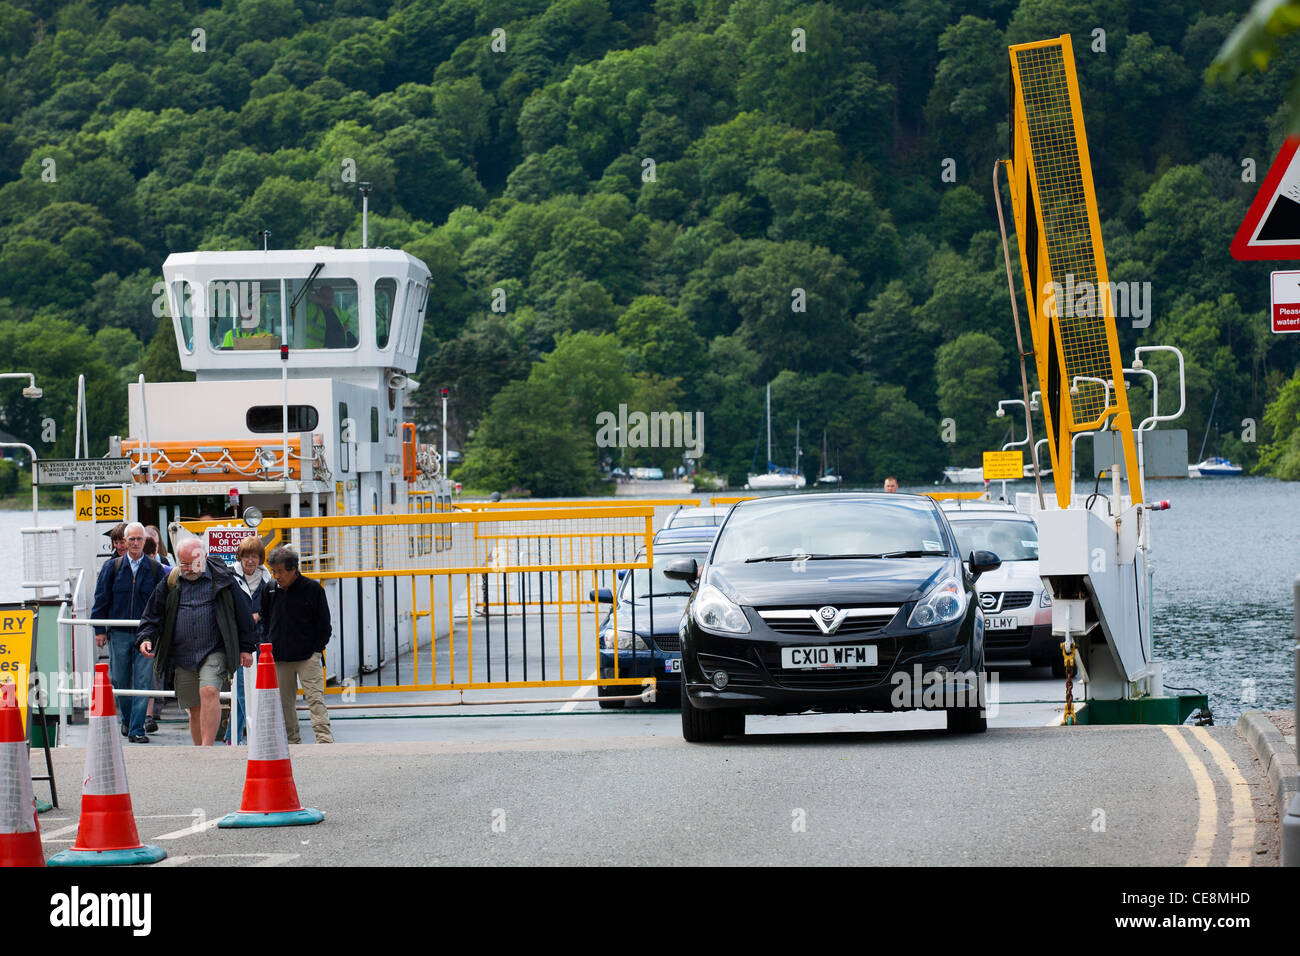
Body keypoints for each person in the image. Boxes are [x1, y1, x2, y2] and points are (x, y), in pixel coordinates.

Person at [135, 538, 256, 747]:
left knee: (209, 691)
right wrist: (146, 637)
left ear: (204, 557)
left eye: (192, 563)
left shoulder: (224, 579)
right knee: (194, 706)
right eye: (183, 563)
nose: (187, 569)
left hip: (214, 649)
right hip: (183, 654)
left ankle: (208, 748)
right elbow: (152, 614)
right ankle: (200, 751)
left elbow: (242, 613)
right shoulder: (171, 581)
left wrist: (246, 648)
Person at [91, 522, 167, 743]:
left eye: (139, 539)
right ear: (124, 541)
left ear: (145, 541)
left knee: (143, 681)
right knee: (120, 679)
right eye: (131, 539)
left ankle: (136, 729)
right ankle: (126, 719)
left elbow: (162, 603)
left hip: (147, 634)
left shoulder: (155, 570)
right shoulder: (111, 568)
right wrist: (100, 629)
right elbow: (101, 599)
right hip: (120, 632)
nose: (135, 543)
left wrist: (159, 630)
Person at [260, 546, 334, 744]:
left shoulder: (312, 588)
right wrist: (268, 641)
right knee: (284, 704)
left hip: (307, 656)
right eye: (273, 571)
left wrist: (316, 649)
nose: (276, 576)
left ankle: (324, 739)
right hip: (280, 657)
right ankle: (291, 742)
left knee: (315, 699)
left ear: (293, 569)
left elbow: (324, 623)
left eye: (280, 571)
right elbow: (266, 619)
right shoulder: (270, 589)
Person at [226, 535, 271, 743]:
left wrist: (259, 614)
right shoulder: (230, 576)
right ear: (240, 557)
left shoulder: (267, 579)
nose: (250, 561)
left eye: (254, 556)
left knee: (252, 688)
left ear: (260, 558)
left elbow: (272, 607)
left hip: (261, 640)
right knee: (243, 688)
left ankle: (231, 736)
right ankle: (256, 733)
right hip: (240, 641)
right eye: (246, 556)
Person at [304, 282, 357, 349]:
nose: (329, 300)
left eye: (331, 297)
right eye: (325, 297)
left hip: (340, 350)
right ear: (319, 296)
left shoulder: (337, 310)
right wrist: (322, 301)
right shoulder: (312, 309)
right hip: (317, 352)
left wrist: (347, 325)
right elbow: (304, 296)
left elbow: (348, 318)